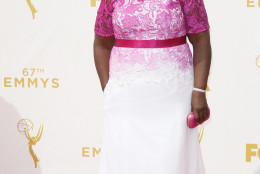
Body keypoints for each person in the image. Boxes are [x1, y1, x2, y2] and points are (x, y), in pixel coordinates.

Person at [93, 0, 212, 173]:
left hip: (172, 93)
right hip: (126, 98)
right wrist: (109, 89)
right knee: (125, 159)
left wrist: (199, 91)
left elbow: (201, 41)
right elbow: (101, 44)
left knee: (170, 160)